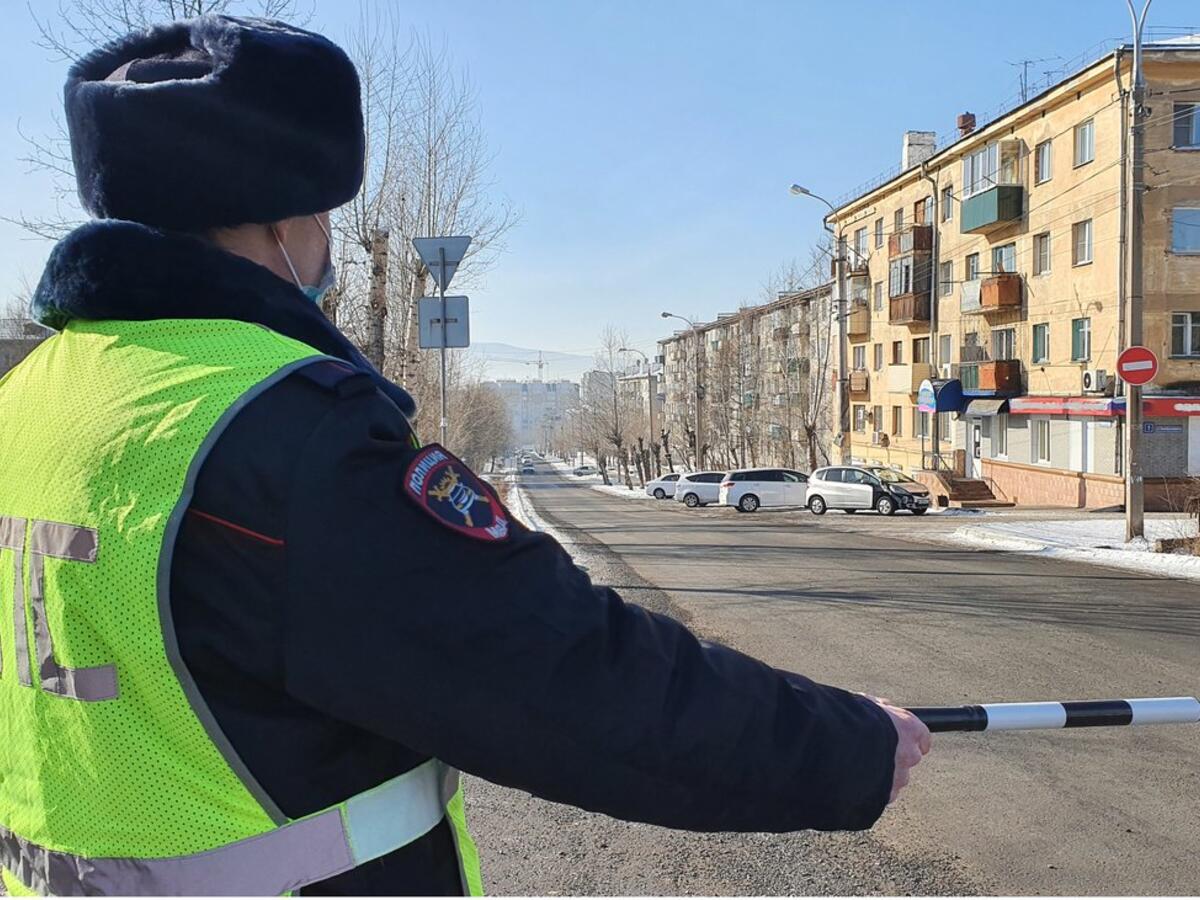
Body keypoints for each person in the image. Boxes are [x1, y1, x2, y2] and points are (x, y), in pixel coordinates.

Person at [0, 14, 929, 897]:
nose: (330, 252)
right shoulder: (285, 430)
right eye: (324, 218)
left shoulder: (31, 400)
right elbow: (565, 678)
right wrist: (846, 746)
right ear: (281, 222)